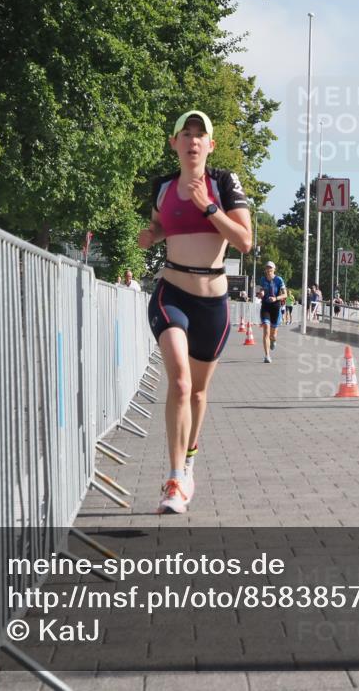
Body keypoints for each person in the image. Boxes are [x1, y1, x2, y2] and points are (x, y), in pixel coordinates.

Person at [139, 110, 252, 514]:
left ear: (210, 144)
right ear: (174, 143)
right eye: (184, 134)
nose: (192, 140)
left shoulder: (223, 183)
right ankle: (173, 480)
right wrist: (151, 235)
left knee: (200, 392)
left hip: (213, 303)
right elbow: (161, 224)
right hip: (171, 294)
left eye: (199, 134)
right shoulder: (163, 187)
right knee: (181, 384)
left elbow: (244, 241)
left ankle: (188, 464)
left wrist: (209, 208)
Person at [257, 261, 286, 363]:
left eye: (270, 268)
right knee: (266, 331)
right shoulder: (263, 279)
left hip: (275, 308)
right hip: (265, 307)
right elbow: (261, 291)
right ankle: (267, 355)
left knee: (273, 335)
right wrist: (261, 294)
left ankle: (273, 340)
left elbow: (285, 295)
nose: (268, 270)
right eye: (267, 268)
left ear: (274, 269)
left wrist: (276, 298)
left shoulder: (279, 280)